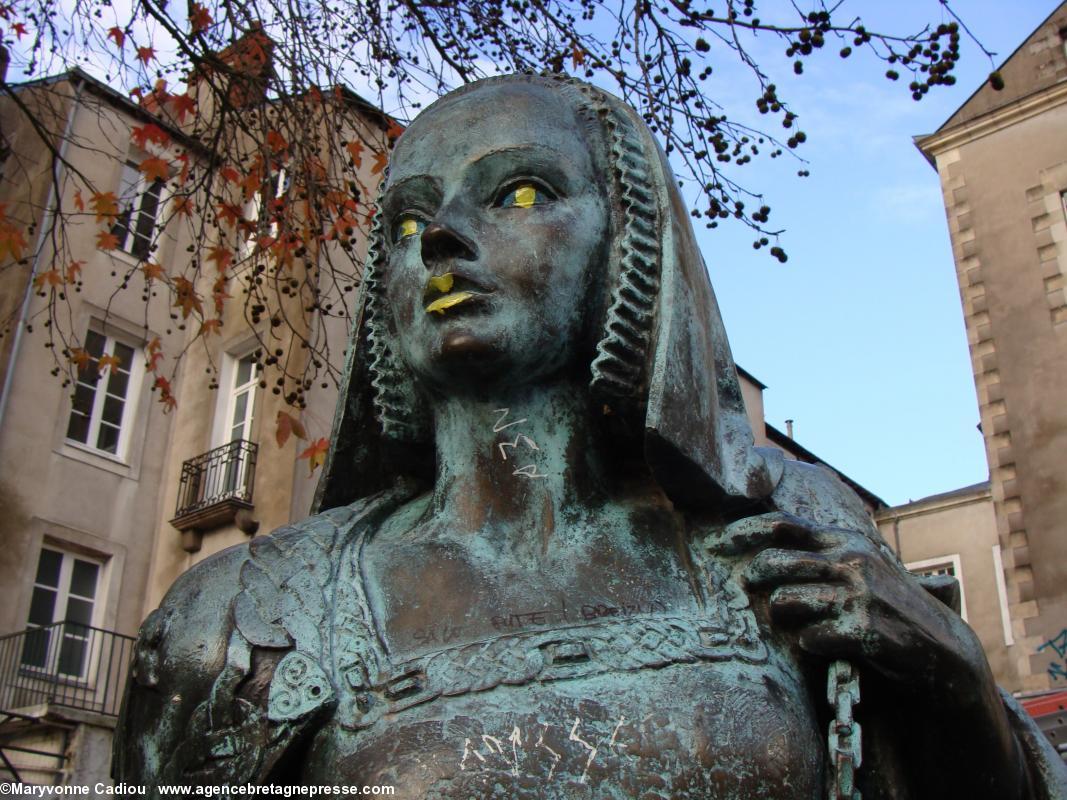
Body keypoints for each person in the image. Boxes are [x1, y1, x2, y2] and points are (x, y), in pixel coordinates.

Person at [114, 74, 1066, 799]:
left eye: (520, 193)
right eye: (406, 221)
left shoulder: (793, 527)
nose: (439, 236)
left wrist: (954, 680)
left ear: (628, 242)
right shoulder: (247, 616)